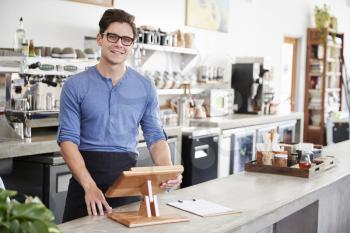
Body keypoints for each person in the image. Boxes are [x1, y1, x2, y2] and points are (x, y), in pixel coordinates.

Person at [57, 8, 182, 222]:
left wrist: (166, 169)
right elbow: (67, 140)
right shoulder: (75, 85)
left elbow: (155, 137)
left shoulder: (145, 87)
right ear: (100, 38)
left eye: (126, 39)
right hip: (84, 184)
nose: (119, 44)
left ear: (132, 45)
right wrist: (89, 186)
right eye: (113, 36)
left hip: (127, 186)